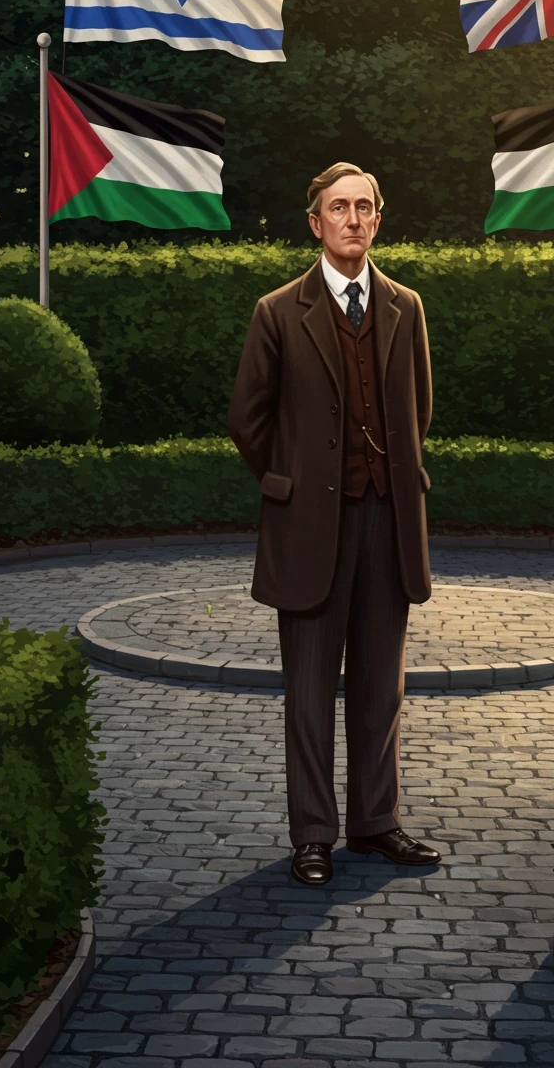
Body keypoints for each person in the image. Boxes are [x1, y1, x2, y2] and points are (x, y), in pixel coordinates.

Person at [227, 161, 442, 885]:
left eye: (363, 207)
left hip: (388, 519)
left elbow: (419, 411)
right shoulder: (277, 311)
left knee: (383, 686)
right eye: (337, 208)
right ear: (315, 223)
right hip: (309, 527)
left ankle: (377, 824)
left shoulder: (407, 307)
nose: (352, 219)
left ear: (378, 219)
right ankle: (313, 833)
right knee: (310, 690)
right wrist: (290, 486)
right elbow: (247, 420)